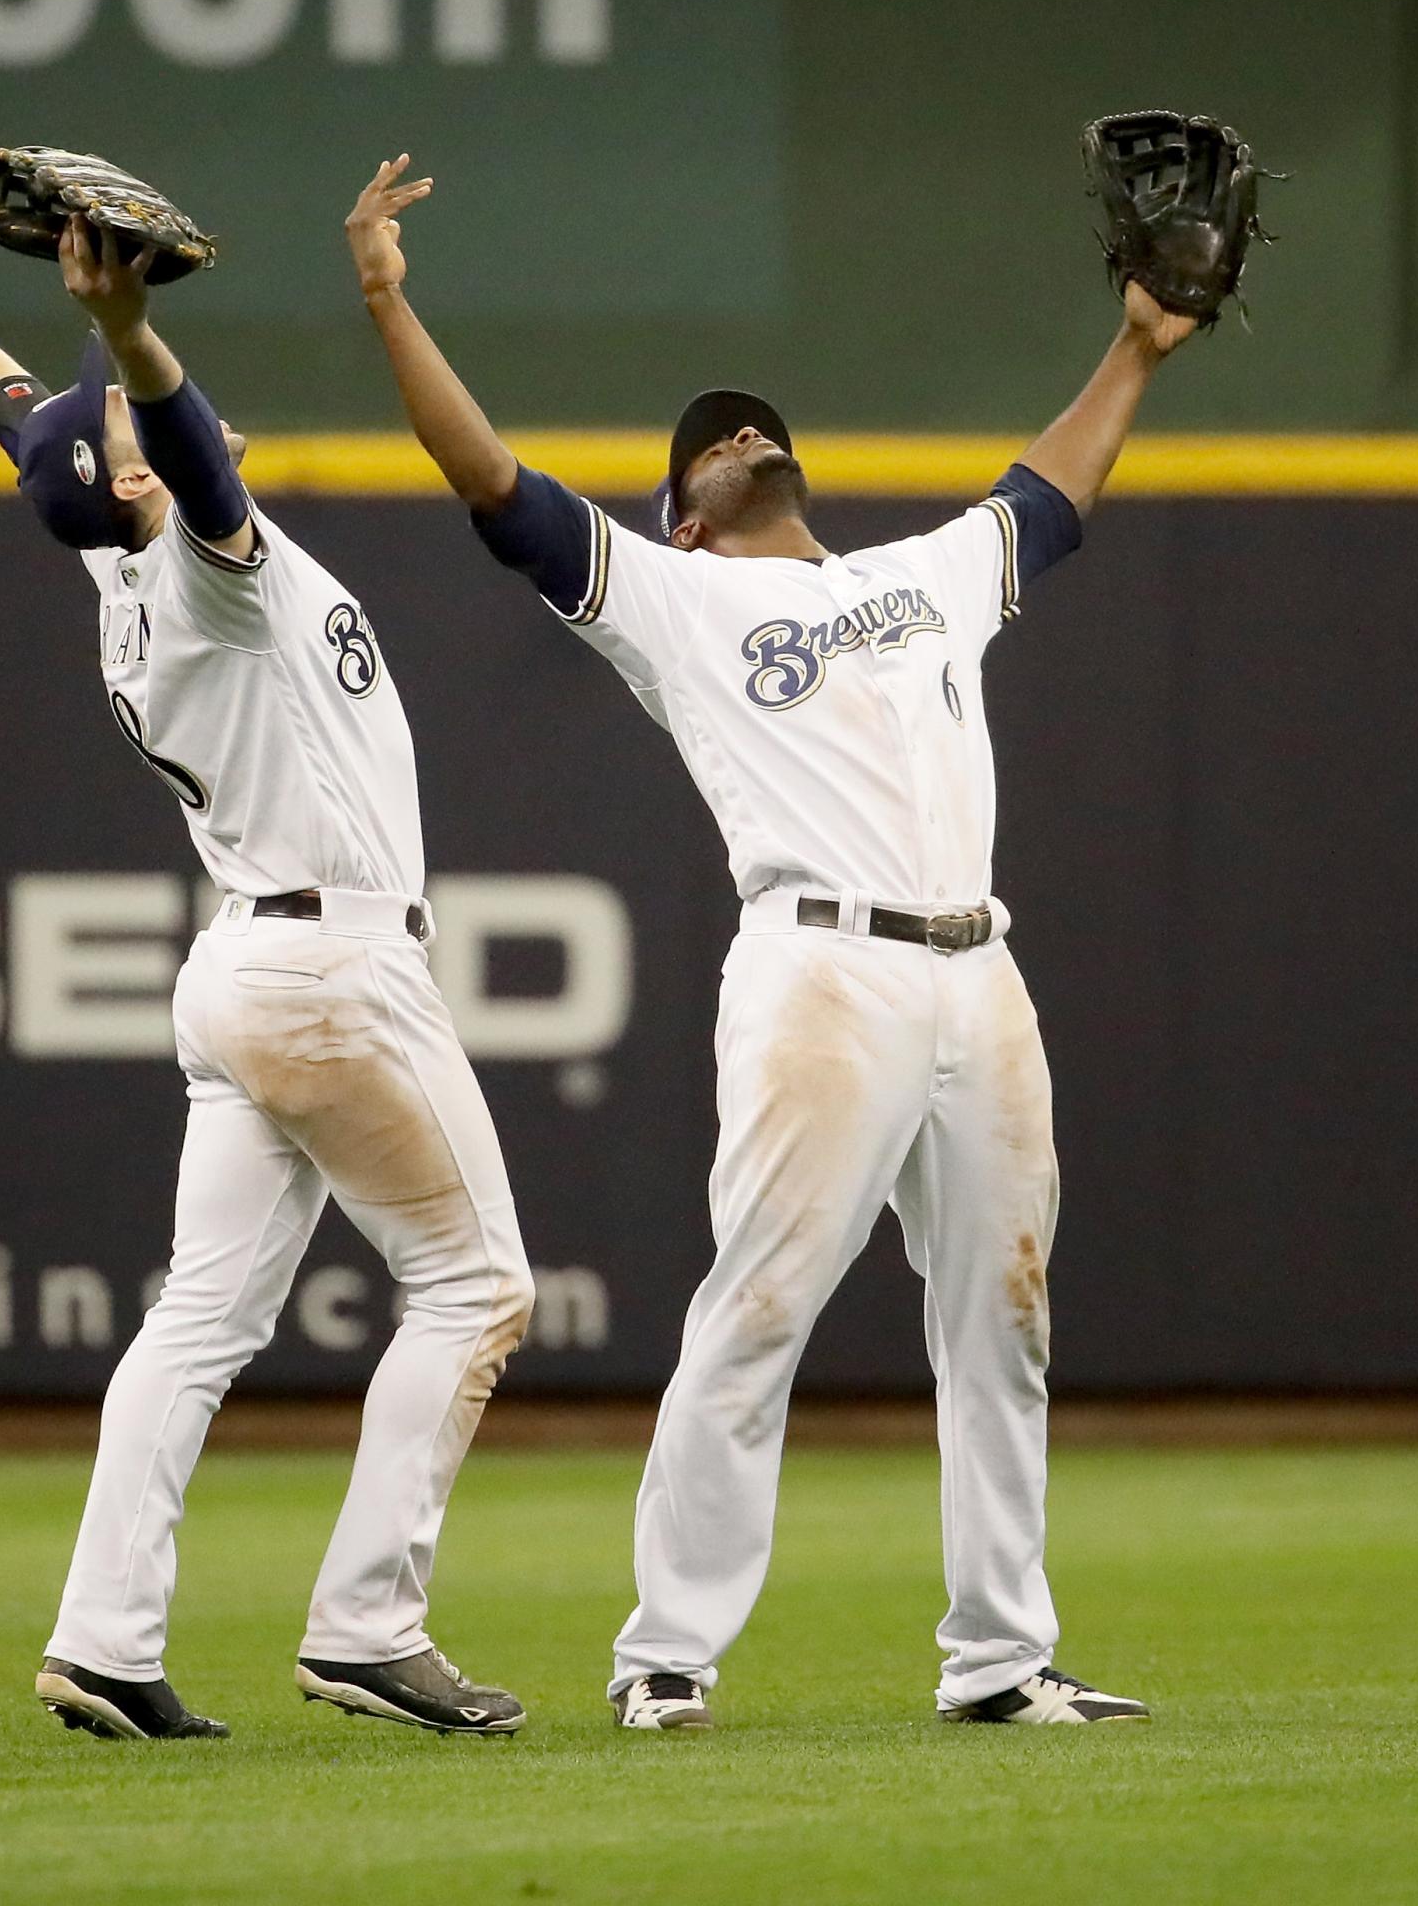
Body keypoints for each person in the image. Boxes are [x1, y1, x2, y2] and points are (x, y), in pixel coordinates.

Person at [342, 152, 1193, 1730]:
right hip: (823, 970)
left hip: (979, 974)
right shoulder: (670, 600)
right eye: (705, 439)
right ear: (682, 507)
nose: (738, 432)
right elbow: (494, 489)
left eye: (751, 421)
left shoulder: (924, 575)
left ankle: (1001, 1660)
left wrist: (1138, 346)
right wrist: (393, 305)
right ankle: (666, 1653)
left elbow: (1053, 493)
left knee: (1006, 1317)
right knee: (761, 1306)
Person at [0, 206, 535, 1740]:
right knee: (478, 1285)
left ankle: (102, 1641)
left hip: (241, 971)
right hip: (329, 967)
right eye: (125, 424)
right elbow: (171, 440)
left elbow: (47, 441)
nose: (134, 415)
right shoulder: (206, 570)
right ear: (142, 473)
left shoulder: (118, 572)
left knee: (199, 1324)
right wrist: (119, 329)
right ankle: (368, 1627)